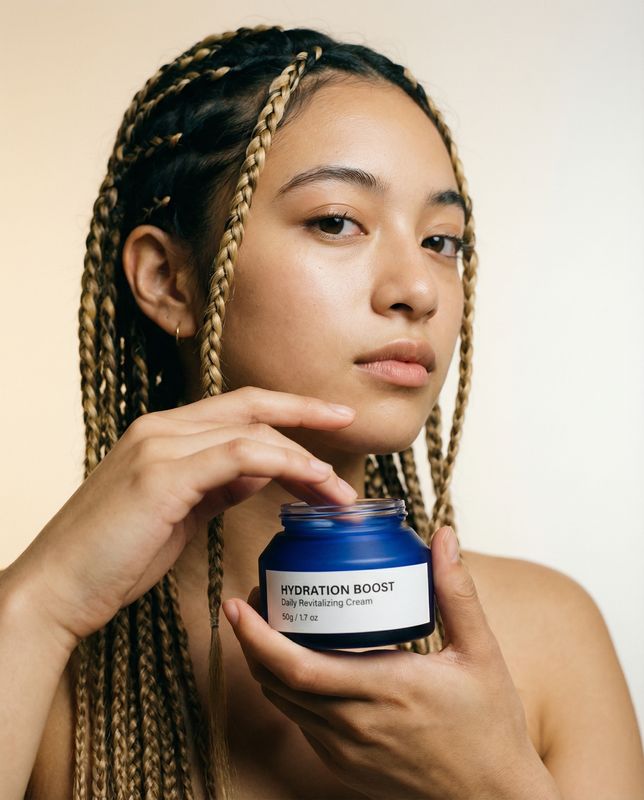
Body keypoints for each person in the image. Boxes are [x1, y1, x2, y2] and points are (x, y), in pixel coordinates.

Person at [0, 23, 642, 800]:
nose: (418, 288)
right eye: (337, 221)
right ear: (170, 281)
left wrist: (493, 779)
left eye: (443, 240)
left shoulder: (550, 636)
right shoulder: (45, 655)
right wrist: (37, 604)